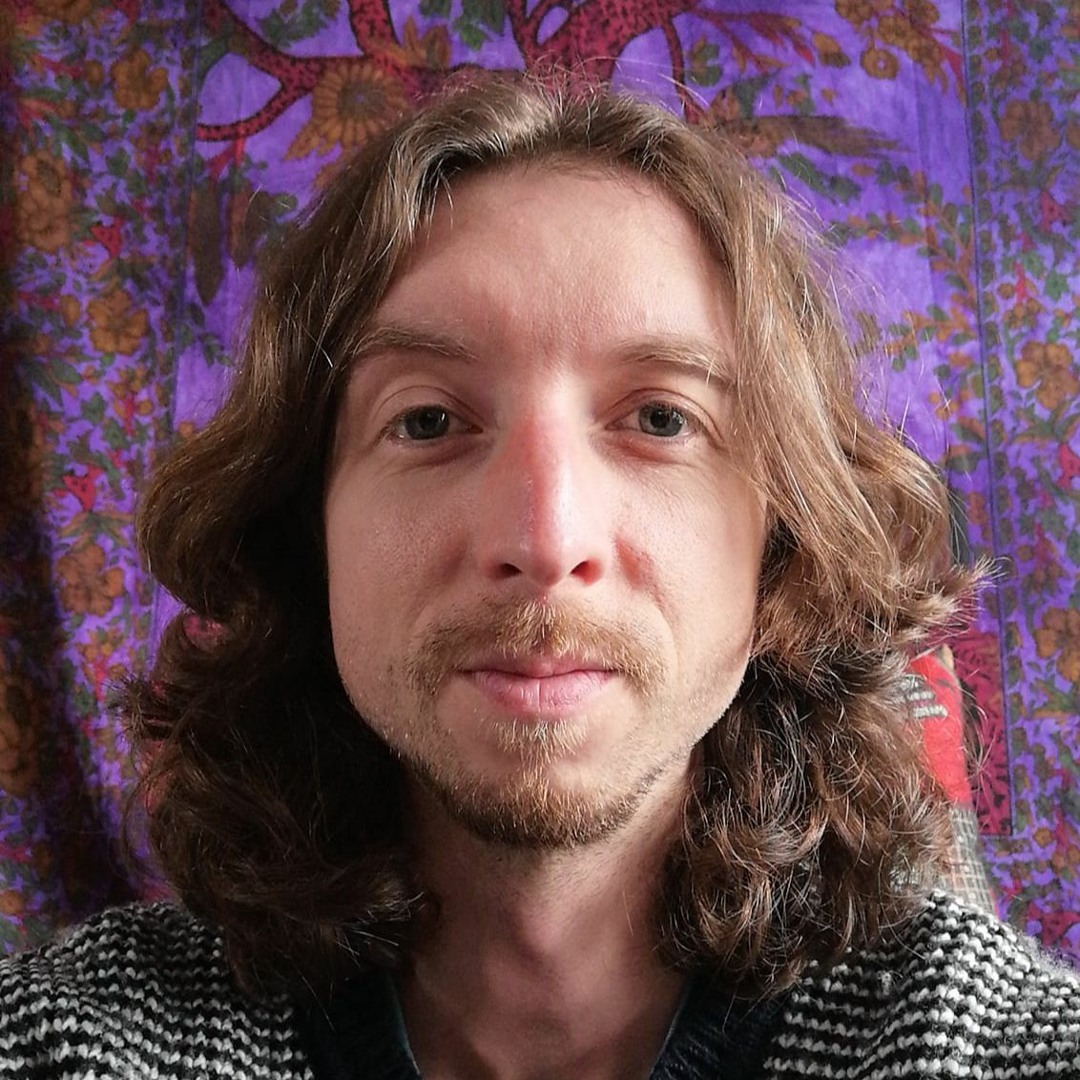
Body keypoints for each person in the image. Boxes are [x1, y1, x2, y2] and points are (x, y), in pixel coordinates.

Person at [1, 74, 1077, 1080]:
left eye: (662, 419)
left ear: (783, 545)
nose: (545, 538)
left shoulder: (992, 1045)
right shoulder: (66, 1045)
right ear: (304, 529)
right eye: (428, 420)